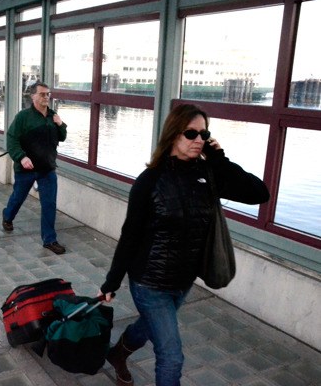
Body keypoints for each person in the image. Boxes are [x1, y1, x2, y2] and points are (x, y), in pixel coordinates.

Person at [97, 104, 270, 386]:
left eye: (204, 134)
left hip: (183, 279)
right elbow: (130, 236)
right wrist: (111, 283)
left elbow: (259, 193)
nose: (198, 140)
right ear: (173, 135)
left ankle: (118, 354)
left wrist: (218, 158)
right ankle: (120, 354)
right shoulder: (149, 181)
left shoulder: (208, 174)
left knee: (150, 327)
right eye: (191, 133)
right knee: (171, 356)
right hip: (149, 282)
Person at [2, 81, 68, 255]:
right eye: (42, 94)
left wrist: (60, 124)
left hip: (47, 168)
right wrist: (21, 157)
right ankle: (8, 216)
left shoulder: (53, 116)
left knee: (49, 204)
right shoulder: (23, 117)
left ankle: (49, 240)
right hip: (26, 169)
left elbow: (62, 137)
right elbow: (12, 140)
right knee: (18, 197)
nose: (46, 97)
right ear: (33, 96)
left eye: (48, 94)